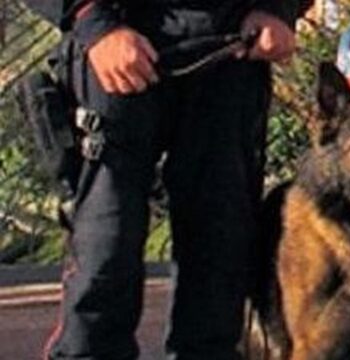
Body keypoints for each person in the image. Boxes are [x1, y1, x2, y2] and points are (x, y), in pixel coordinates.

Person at [39, 0, 312, 359]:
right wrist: (94, 23)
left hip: (230, 53)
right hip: (115, 53)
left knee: (219, 249)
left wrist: (280, 8)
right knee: (105, 246)